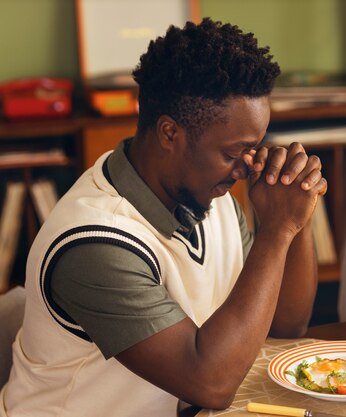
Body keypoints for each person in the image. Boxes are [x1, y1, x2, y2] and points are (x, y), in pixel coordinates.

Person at [1, 18, 327, 417]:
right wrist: (277, 231)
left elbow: (285, 325)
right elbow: (210, 384)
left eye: (253, 148)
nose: (245, 167)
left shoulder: (211, 194)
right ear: (170, 133)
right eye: (232, 152)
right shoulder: (93, 243)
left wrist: (298, 211)